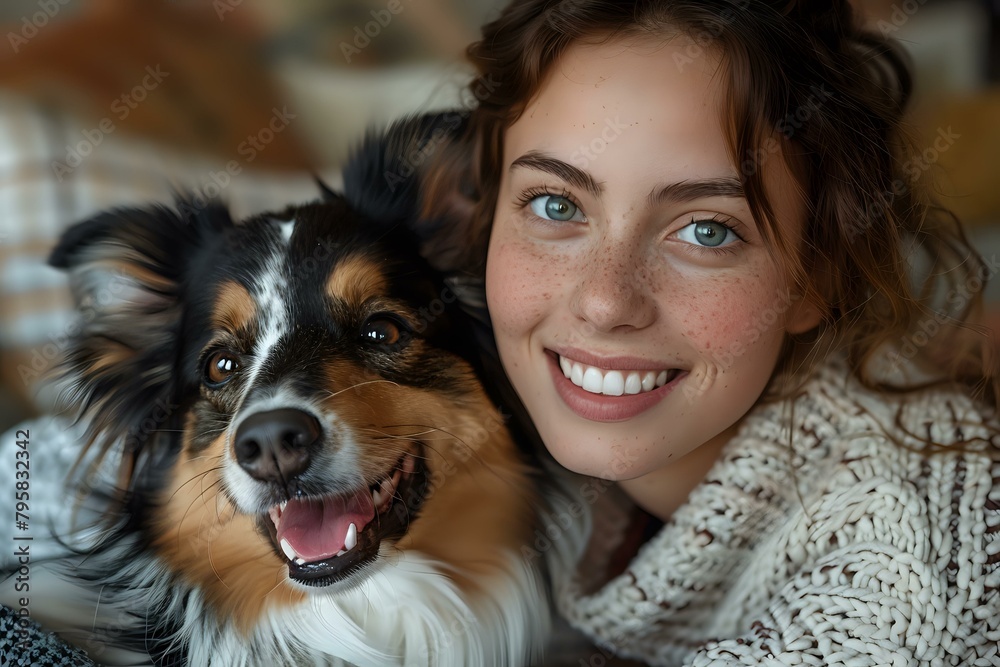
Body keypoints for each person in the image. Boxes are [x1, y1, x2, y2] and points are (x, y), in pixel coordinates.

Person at [420, 0, 1000, 664]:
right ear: (486, 216)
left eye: (706, 230)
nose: (605, 302)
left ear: (814, 277)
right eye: (556, 204)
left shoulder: (894, 604)